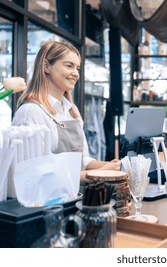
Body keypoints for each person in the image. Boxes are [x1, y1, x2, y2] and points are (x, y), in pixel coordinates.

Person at [12, 41, 120, 171]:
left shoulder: (72, 110)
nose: (76, 73)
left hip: (72, 191)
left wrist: (110, 166)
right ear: (46, 66)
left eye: (77, 68)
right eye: (69, 66)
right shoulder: (30, 111)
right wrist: (97, 173)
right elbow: (33, 173)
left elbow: (82, 160)